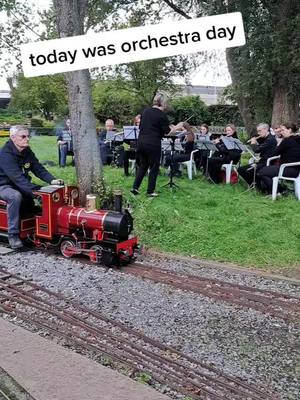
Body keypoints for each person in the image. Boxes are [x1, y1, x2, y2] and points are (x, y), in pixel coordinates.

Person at [0, 125, 63, 249]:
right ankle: (13, 235)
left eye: (28, 136)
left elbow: (38, 169)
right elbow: (17, 177)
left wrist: (53, 180)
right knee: (15, 196)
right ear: (13, 138)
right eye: (23, 136)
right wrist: (36, 191)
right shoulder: (5, 154)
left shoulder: (27, 151)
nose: (27, 139)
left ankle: (39, 228)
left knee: (36, 197)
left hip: (19, 184)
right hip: (3, 185)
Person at [131, 93, 183, 197]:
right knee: (154, 167)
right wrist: (177, 127)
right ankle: (150, 191)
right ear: (162, 103)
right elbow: (167, 132)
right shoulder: (162, 115)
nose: (166, 106)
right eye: (165, 104)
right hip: (153, 144)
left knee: (143, 166)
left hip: (141, 142)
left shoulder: (145, 112)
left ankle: (135, 188)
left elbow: (142, 126)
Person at [257, 122, 300, 194]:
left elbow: (274, 153)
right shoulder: (298, 139)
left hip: (287, 169)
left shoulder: (287, 141)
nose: (281, 132)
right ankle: (280, 190)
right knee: (267, 170)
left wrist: (279, 143)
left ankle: (279, 191)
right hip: (297, 170)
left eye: (282, 130)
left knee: (261, 172)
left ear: (289, 130)